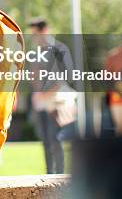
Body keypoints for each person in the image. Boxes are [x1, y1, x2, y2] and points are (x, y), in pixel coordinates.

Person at [27, 17, 76, 174]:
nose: (34, 37)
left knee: (56, 138)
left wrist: (46, 93)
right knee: (45, 140)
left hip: (56, 100)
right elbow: (33, 77)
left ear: (45, 31)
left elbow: (67, 76)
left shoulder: (60, 49)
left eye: (35, 34)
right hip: (41, 101)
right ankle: (49, 175)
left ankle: (60, 175)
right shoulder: (34, 53)